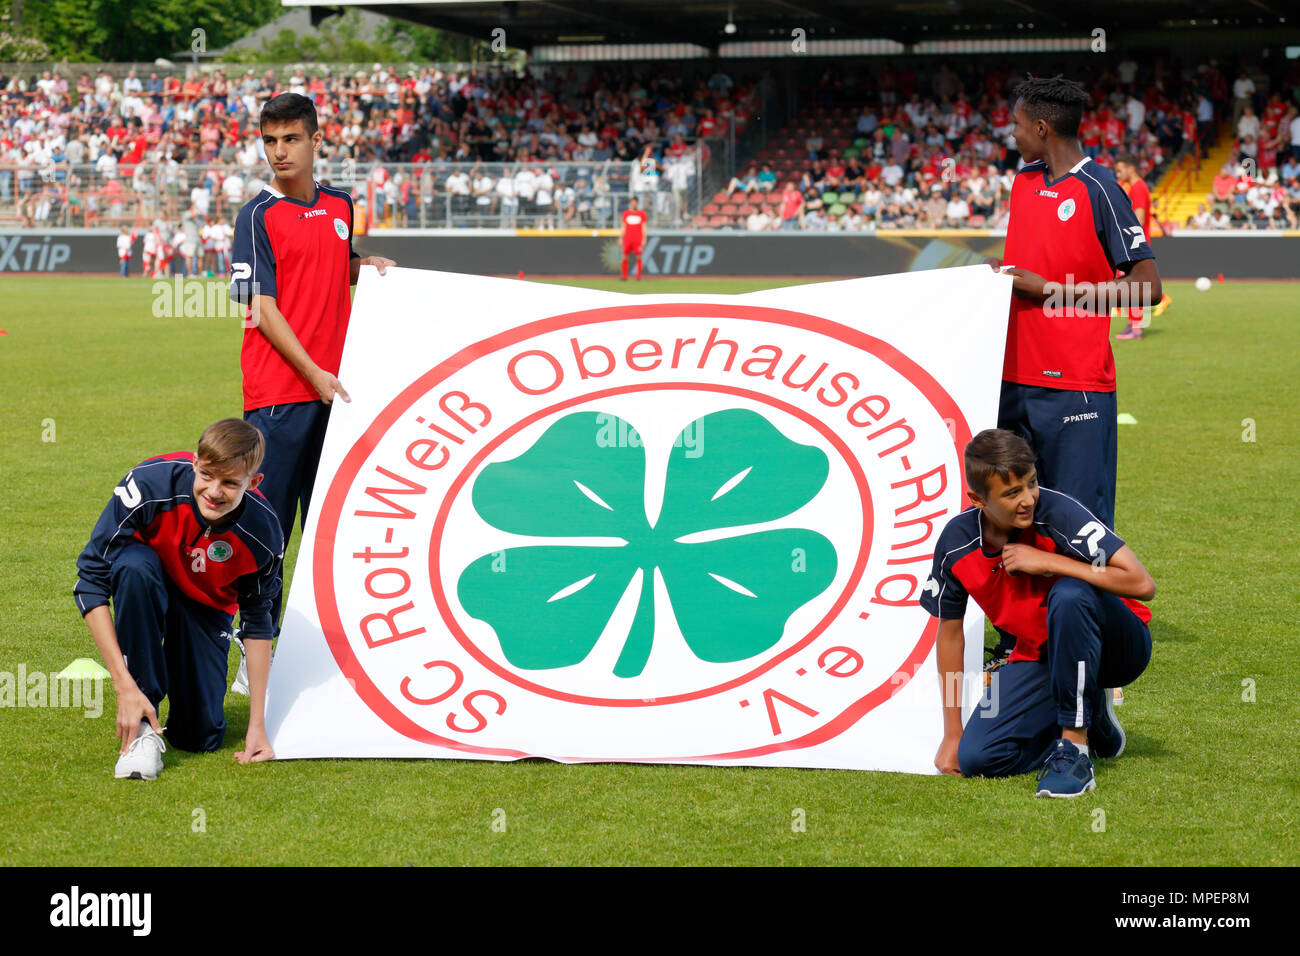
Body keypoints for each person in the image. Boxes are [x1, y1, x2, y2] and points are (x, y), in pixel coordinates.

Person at [229, 93, 394, 690]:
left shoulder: (340, 203)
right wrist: (313, 374)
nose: (279, 152)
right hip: (281, 395)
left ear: (316, 140)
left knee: (332, 523)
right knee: (267, 529)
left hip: (339, 393)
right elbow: (263, 311)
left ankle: (330, 648)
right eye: (269, 141)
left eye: (290, 139)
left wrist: (365, 264)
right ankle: (256, 656)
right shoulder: (255, 216)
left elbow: (333, 260)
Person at [922, 429, 1154, 798]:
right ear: (977, 499)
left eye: (1032, 483)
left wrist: (1051, 562)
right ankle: (1089, 716)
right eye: (1012, 493)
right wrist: (953, 732)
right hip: (1039, 653)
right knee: (979, 758)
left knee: (1070, 593)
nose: (1028, 499)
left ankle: (1074, 750)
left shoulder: (1059, 512)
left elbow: (1142, 583)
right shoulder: (956, 542)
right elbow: (949, 635)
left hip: (1117, 647)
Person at [985, 75, 1161, 534]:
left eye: (1017, 124)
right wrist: (999, 274)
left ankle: (1092, 608)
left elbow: (1148, 286)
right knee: (1011, 518)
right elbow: (1037, 260)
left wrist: (1050, 290)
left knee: (1080, 525)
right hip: (1010, 378)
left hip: (1073, 382)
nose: (1013, 134)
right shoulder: (1023, 180)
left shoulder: (1100, 187)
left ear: (1042, 128)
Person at [74, 420, 284, 779]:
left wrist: (257, 726)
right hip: (146, 581)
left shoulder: (263, 531)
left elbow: (258, 621)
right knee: (134, 569)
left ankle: (185, 671)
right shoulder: (147, 484)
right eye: (207, 475)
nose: (214, 491)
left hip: (205, 607)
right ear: (195, 463)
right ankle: (141, 730)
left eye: (230, 483)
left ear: (254, 482)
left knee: (200, 736)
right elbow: (90, 581)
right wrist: (125, 685)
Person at [1112, 154, 1170, 339]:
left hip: (1135, 245)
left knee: (1133, 286)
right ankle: (1133, 325)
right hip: (1136, 244)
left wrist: (1121, 233)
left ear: (1131, 169)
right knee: (1130, 286)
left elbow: (1139, 218)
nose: (1118, 175)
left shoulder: (1138, 188)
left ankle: (1136, 329)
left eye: (1120, 170)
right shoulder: (1138, 187)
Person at [620, 195, 648, 281]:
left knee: (638, 257)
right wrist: (621, 237)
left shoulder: (642, 214)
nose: (633, 204)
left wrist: (644, 238)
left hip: (637, 239)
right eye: (632, 202)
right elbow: (623, 226)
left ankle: (638, 276)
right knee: (625, 256)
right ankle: (624, 276)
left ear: (637, 203)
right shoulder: (626, 213)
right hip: (628, 238)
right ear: (631, 203)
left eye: (635, 202)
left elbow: (644, 226)